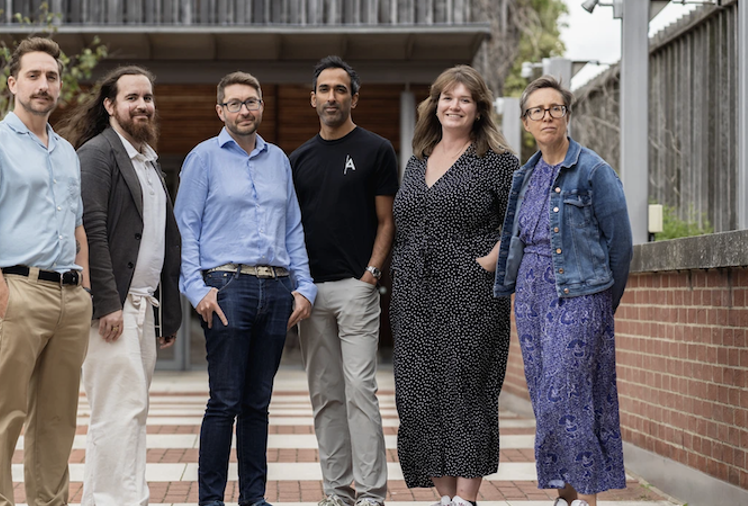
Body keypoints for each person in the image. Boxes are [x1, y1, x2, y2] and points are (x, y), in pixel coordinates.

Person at [0, 37, 92, 506]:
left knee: (57, 419)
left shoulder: (67, 153)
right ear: (13, 83)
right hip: (18, 291)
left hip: (69, 299)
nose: (43, 84)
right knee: (2, 414)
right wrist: (2, 294)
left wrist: (84, 285)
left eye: (51, 76)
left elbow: (77, 228)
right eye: (33, 75)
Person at [174, 71, 317, 506]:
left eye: (251, 102)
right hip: (227, 287)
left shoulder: (279, 161)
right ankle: (211, 500)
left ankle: (253, 498)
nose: (244, 110)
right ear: (220, 111)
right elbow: (186, 228)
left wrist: (305, 286)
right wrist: (197, 289)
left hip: (275, 290)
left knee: (258, 403)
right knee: (225, 401)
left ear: (261, 107)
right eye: (234, 103)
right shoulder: (203, 157)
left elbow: (292, 227)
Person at [493, 76, 632, 506]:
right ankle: (567, 495)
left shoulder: (592, 170)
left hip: (579, 295)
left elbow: (621, 246)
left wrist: (600, 304)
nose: (547, 116)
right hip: (531, 297)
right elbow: (516, 237)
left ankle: (586, 498)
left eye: (555, 108)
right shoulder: (525, 176)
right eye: (538, 110)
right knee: (545, 397)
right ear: (526, 122)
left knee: (566, 391)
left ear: (567, 116)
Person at [390, 65, 518, 506]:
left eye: (465, 99)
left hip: (470, 295)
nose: (455, 105)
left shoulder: (497, 162)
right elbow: (405, 224)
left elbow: (517, 222)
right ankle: (444, 497)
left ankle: (465, 498)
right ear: (435, 104)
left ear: (479, 108)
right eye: (448, 97)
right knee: (419, 392)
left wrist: (488, 261)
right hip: (414, 295)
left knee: (465, 391)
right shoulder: (417, 160)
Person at [56, 66, 182, 506]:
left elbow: (163, 239)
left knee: (133, 412)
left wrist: (167, 314)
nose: (142, 105)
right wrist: (105, 302)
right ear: (110, 105)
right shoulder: (98, 154)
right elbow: (89, 229)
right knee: (117, 412)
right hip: (114, 308)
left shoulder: (147, 160)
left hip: (144, 307)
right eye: (132, 98)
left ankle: (122, 496)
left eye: (147, 97)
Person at [290, 56, 396, 506]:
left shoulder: (376, 149)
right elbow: (291, 229)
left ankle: (371, 494)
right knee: (325, 396)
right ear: (313, 98)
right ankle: (337, 492)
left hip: (356, 289)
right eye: (324, 89)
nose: (331, 97)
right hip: (311, 294)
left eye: (340, 89)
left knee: (360, 393)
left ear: (354, 96)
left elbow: (386, 220)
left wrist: (371, 274)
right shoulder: (297, 159)